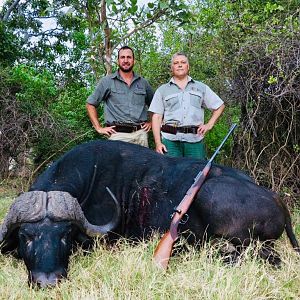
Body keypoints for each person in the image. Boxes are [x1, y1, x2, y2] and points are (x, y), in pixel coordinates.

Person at [149, 52, 225, 158]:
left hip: (195, 141)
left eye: (183, 62)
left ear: (188, 66)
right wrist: (158, 143)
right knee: (170, 174)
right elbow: (156, 117)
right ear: (172, 68)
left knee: (196, 172)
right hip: (170, 141)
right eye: (176, 63)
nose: (180, 65)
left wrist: (209, 125)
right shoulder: (162, 90)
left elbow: (219, 106)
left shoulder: (201, 87)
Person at [86, 46, 154, 147]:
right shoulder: (107, 82)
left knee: (142, 163)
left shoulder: (143, 83)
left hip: (140, 136)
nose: (125, 60)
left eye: (129, 57)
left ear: (134, 60)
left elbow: (155, 106)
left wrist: (151, 122)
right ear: (118, 61)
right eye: (122, 57)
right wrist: (98, 128)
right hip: (117, 136)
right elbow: (90, 104)